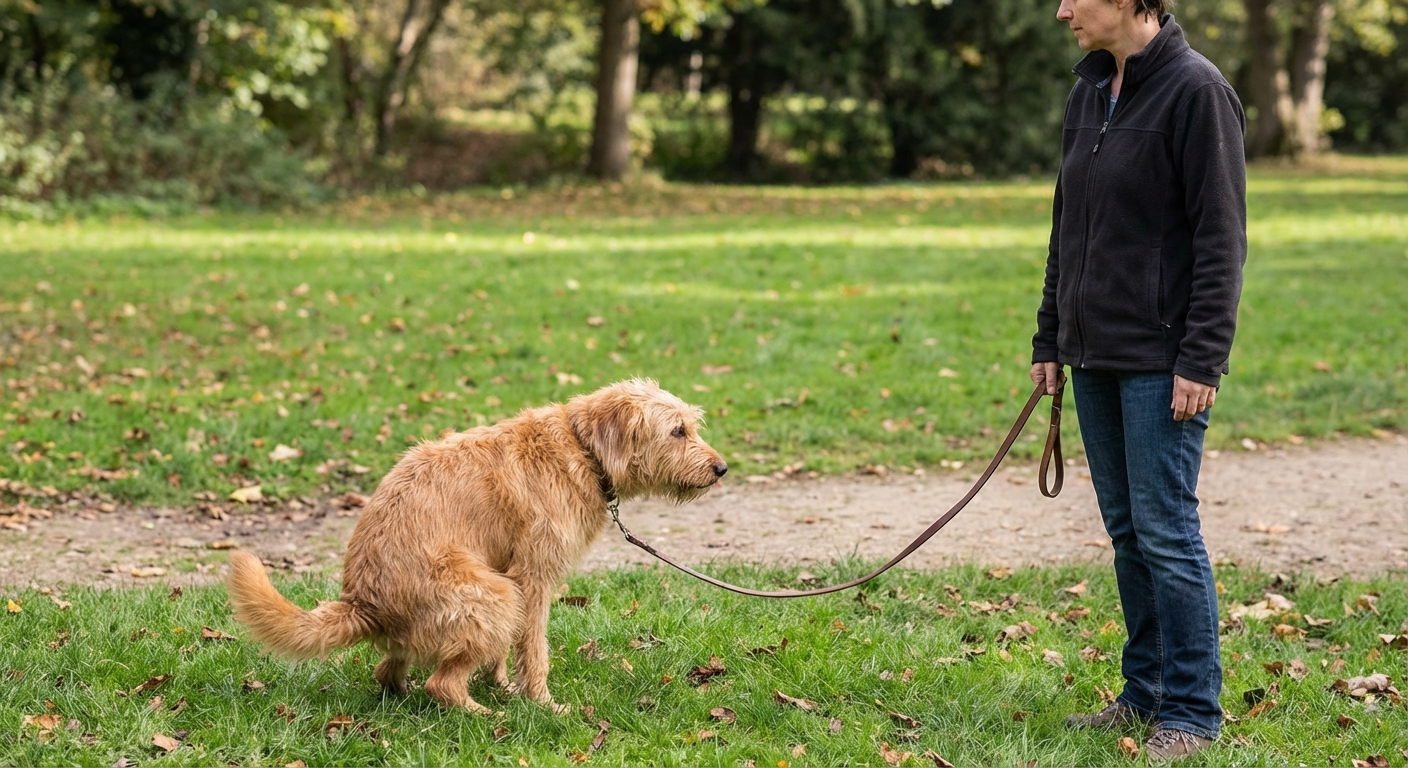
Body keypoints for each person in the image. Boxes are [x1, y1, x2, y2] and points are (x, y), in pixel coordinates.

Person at [1031, 0, 1247, 761]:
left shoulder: (1197, 91)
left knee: (1166, 529)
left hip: (1164, 363)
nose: (1061, 10)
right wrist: (1050, 336)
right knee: (1128, 531)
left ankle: (1192, 710)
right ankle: (1145, 693)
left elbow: (1222, 237)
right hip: (1092, 354)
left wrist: (1202, 358)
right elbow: (1069, 225)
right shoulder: (1089, 90)